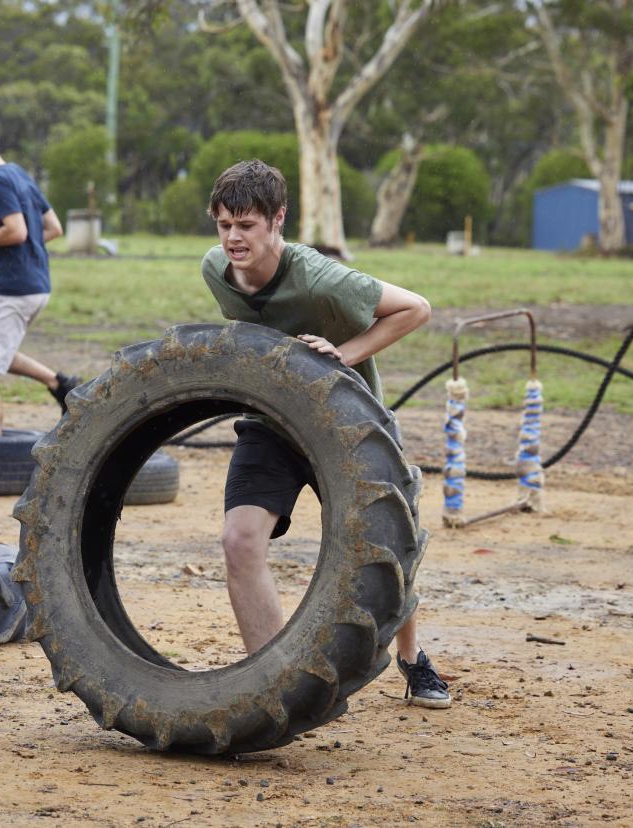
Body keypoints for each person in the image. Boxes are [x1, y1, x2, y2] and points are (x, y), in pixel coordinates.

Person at [202, 159, 451, 709]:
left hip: (349, 426)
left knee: (386, 546)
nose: (233, 239)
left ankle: (412, 660)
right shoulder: (214, 269)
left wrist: (346, 355)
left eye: (246, 225)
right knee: (238, 541)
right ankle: (273, 687)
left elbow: (417, 309)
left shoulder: (320, 277)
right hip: (272, 422)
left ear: (277, 220)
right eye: (224, 225)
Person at [0, 118, 82, 437]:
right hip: (37, 284)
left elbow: (17, 230)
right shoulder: (20, 174)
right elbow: (51, 228)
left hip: (12, 288)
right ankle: (60, 384)